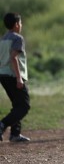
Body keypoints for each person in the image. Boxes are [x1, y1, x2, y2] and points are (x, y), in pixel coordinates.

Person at [0, 13, 31, 142]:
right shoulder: (18, 38)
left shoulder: (3, 39)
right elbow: (13, 57)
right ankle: (2, 124)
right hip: (13, 75)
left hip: (3, 75)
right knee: (24, 106)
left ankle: (15, 134)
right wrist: (19, 78)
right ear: (16, 24)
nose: (21, 25)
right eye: (21, 23)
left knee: (17, 105)